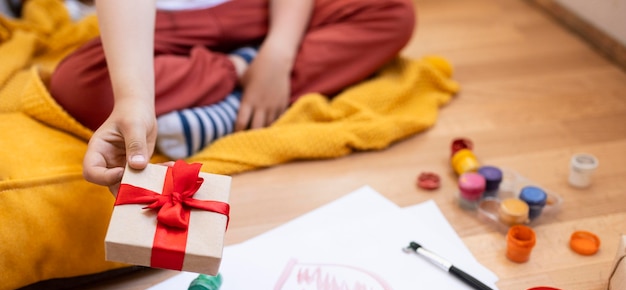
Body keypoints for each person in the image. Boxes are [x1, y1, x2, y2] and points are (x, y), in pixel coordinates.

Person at [49, 0, 416, 188]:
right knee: (77, 82)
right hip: (162, 21)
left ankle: (234, 104)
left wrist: (280, 50)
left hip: (258, 11)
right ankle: (244, 75)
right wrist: (134, 99)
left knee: (392, 11)